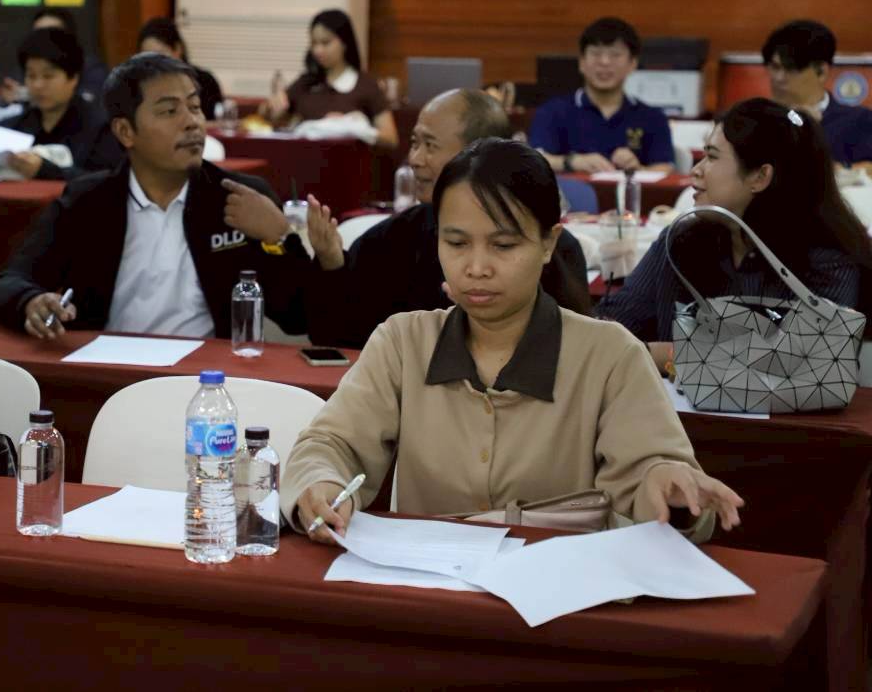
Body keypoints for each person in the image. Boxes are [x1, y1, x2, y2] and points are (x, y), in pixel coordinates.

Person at [282, 138, 744, 543]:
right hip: (430, 593)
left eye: (503, 246)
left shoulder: (609, 355)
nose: (476, 267)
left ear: (548, 243)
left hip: (561, 599)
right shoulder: (403, 343)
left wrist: (668, 484)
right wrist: (320, 484)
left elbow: (654, 472)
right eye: (456, 243)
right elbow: (331, 444)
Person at [0, 52, 309, 339]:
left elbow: (299, 318)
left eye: (195, 107)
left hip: (207, 375)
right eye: (169, 111)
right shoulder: (89, 202)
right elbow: (9, 281)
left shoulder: (239, 198)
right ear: (125, 131)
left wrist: (280, 239)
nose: (192, 122)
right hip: (106, 369)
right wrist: (31, 301)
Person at [596, 97, 871, 370]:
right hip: (669, 400)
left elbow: (802, 364)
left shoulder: (827, 260)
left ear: (760, 177)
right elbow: (615, 324)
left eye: (712, 157)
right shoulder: (681, 241)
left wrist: (663, 355)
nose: (695, 170)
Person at [303, 89, 591, 348]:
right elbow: (341, 338)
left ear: (477, 152)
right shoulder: (395, 237)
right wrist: (332, 263)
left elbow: (571, 352)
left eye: (430, 145)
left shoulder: (549, 245)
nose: (415, 159)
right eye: (455, 243)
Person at [0, 28, 122, 180]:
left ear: (73, 78)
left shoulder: (101, 128)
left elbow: (107, 181)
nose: (38, 85)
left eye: (48, 76)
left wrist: (45, 171)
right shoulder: (15, 126)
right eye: (31, 76)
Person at [529, 17, 675, 173]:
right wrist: (572, 162)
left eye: (615, 55)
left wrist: (637, 169)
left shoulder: (652, 118)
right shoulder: (553, 112)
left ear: (632, 64)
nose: (604, 62)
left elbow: (665, 168)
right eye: (596, 53)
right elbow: (535, 160)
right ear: (582, 63)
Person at [262, 9, 398, 150]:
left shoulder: (366, 84)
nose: (318, 50)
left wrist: (352, 127)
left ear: (344, 42)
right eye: (314, 43)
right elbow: (269, 113)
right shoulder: (306, 82)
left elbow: (391, 138)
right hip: (305, 158)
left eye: (325, 43)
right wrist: (271, 108)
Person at [761, 19, 872, 166]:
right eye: (775, 67)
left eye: (791, 69)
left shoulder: (859, 122)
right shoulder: (756, 120)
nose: (778, 77)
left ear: (821, 72)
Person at [0, 6, 109, 103]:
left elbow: (89, 98)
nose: (44, 39)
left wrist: (23, 95)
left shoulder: (90, 67)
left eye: (52, 34)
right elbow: (9, 90)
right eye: (39, 34)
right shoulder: (26, 65)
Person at [137, 17, 224, 122]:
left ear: (177, 49)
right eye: (147, 57)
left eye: (160, 55)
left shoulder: (205, 81)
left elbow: (217, 123)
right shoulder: (141, 86)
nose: (154, 63)